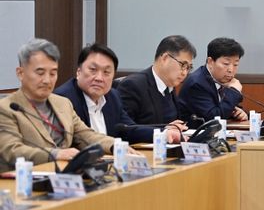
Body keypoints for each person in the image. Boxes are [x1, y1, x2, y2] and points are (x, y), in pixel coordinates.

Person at [0, 38, 116, 172]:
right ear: (20, 73)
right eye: (40, 73)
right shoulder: (6, 108)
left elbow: (85, 135)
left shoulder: (63, 103)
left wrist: (115, 146)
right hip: (23, 179)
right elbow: (12, 151)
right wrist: (56, 154)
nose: (47, 80)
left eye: (53, 73)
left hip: (65, 176)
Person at [54, 43, 183, 144]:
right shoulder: (63, 99)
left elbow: (129, 129)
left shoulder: (112, 97)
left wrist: (165, 133)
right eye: (93, 70)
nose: (99, 78)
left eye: (106, 72)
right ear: (78, 72)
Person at [118, 35, 196, 125]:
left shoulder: (169, 87)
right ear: (165, 58)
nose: (185, 73)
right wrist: (163, 131)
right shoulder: (133, 86)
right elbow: (125, 128)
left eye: (188, 68)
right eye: (183, 65)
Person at [177, 37, 248, 126]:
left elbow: (229, 107)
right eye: (226, 64)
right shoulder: (197, 83)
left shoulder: (222, 80)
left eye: (235, 64)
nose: (231, 70)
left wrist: (240, 113)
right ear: (210, 62)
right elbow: (214, 118)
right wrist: (234, 91)